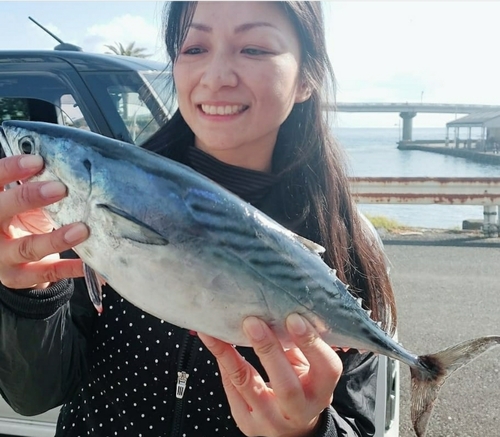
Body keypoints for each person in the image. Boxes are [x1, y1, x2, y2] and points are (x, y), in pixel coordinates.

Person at [0, 2, 396, 436]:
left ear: (307, 78)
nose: (217, 76)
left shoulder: (345, 242)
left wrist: (309, 430)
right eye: (194, 49)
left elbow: (361, 424)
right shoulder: (91, 204)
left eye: (255, 49)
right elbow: (35, 395)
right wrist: (29, 294)